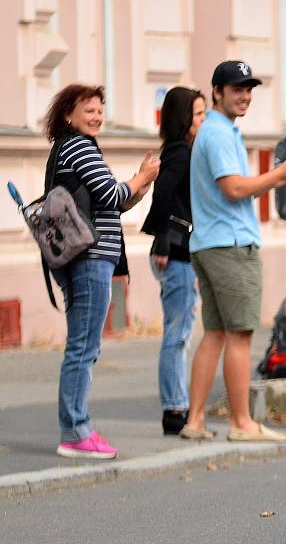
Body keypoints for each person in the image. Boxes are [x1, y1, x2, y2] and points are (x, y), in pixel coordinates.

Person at [182, 60, 286, 443]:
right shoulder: (219, 133)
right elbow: (234, 188)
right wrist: (280, 175)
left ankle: (196, 420)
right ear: (216, 92)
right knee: (239, 334)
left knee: (216, 333)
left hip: (211, 241)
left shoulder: (219, 131)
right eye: (236, 88)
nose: (245, 95)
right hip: (230, 244)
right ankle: (242, 423)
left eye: (249, 88)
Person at [44, 84, 160, 459]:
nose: (96, 116)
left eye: (99, 110)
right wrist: (142, 176)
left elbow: (107, 206)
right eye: (88, 110)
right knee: (83, 347)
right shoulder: (78, 146)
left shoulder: (72, 147)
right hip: (89, 259)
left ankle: (76, 428)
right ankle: (76, 431)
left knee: (82, 346)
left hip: (87, 258)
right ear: (68, 115)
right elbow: (111, 196)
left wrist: (139, 188)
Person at [141, 87, 206, 435]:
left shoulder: (183, 150)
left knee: (180, 332)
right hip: (175, 252)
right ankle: (174, 409)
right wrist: (164, 242)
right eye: (198, 114)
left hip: (180, 251)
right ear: (183, 118)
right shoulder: (180, 151)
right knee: (177, 334)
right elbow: (162, 193)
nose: (203, 120)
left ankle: (178, 405)